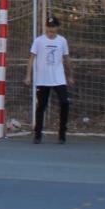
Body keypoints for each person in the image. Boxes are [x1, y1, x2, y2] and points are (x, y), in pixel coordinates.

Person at [25, 16, 73, 144]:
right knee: (41, 106)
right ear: (46, 27)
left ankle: (62, 133)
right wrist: (28, 75)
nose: (50, 30)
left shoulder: (62, 41)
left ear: (57, 28)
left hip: (58, 78)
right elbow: (31, 58)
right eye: (48, 27)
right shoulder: (39, 41)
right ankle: (37, 134)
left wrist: (70, 75)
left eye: (53, 27)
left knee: (65, 102)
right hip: (42, 79)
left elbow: (67, 58)